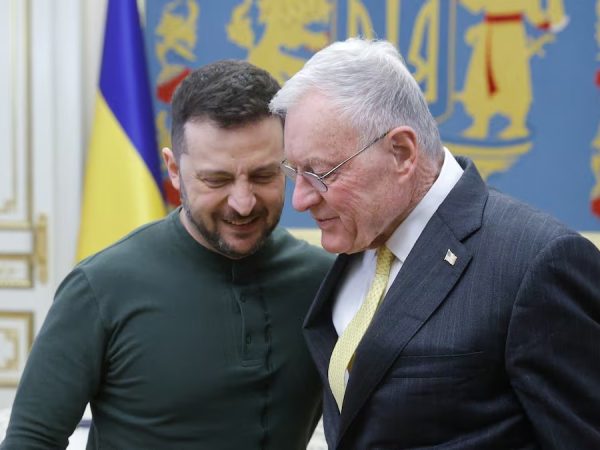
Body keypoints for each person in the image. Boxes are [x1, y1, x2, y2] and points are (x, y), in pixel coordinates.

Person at [269, 37, 600, 449]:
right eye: (293, 172)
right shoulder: (360, 237)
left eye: (320, 173)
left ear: (402, 152)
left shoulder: (538, 262)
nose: (300, 199)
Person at [1, 60, 334, 450]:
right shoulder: (101, 287)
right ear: (173, 170)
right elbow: (31, 440)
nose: (243, 202)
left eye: (264, 176)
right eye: (217, 179)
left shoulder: (327, 282)